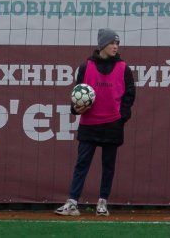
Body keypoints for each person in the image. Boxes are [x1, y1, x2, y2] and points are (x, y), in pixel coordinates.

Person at [55, 28, 135, 217]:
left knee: (108, 165)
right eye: (112, 43)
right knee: (82, 163)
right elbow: (77, 93)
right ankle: (72, 202)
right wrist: (76, 109)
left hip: (113, 124)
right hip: (89, 123)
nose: (115, 47)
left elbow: (130, 94)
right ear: (102, 45)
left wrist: (122, 117)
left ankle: (102, 203)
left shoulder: (124, 68)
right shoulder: (86, 66)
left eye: (117, 43)